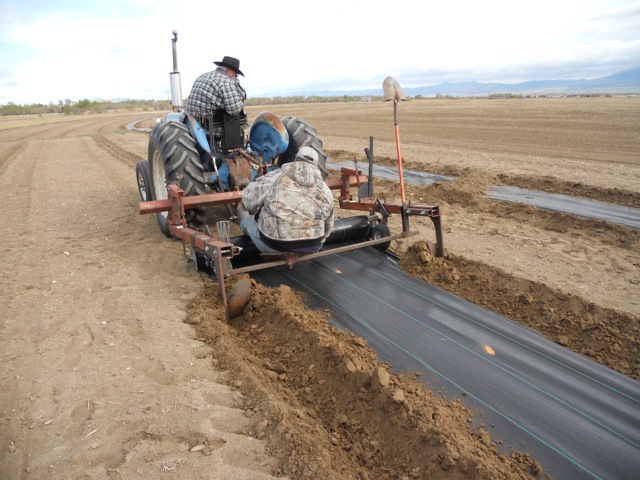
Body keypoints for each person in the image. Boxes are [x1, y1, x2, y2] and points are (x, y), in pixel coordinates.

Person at [238, 146, 334, 254]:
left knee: (245, 217)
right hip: (314, 246)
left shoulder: (275, 178)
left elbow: (247, 200)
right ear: (316, 165)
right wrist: (318, 240)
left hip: (274, 246)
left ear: (295, 159)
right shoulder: (325, 189)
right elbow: (328, 225)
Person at [184, 55, 248, 140]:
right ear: (228, 70)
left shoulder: (202, 76)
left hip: (194, 126)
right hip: (212, 131)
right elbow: (234, 109)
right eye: (235, 74)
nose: (236, 76)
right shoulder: (225, 81)